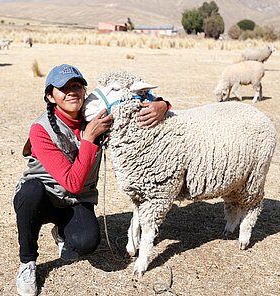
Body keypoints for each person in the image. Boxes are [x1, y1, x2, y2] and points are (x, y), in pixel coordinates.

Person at [13, 64, 170, 296]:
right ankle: (27, 263)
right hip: (44, 197)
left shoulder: (95, 114)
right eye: (63, 88)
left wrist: (162, 104)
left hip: (76, 200)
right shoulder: (41, 129)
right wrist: (89, 139)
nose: (71, 92)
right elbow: (72, 182)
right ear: (50, 96)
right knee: (29, 192)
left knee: (86, 243)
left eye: (77, 86)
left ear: (85, 91)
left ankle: (63, 232)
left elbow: (131, 99)